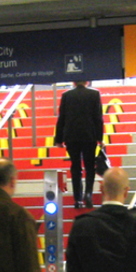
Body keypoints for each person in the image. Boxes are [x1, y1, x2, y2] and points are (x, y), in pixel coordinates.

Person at [54, 81, 104, 209]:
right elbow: (98, 118)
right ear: (87, 82)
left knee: (75, 166)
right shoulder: (94, 94)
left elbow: (62, 118)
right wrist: (100, 138)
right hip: (89, 135)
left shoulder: (66, 95)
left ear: (73, 82)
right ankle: (88, 194)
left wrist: (58, 139)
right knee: (89, 166)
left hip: (71, 136)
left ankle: (77, 199)